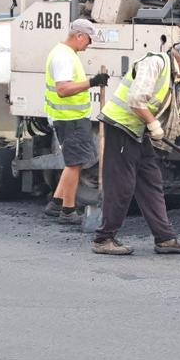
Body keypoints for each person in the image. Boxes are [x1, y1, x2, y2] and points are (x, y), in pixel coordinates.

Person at [93, 41, 180, 255]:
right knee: (122, 185)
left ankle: (165, 239)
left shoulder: (177, 81)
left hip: (140, 131)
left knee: (151, 182)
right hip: (121, 126)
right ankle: (104, 239)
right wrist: (153, 124)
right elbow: (136, 100)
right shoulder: (156, 63)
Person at [42, 18, 109, 224]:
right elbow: (63, 89)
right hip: (69, 119)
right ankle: (68, 211)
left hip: (71, 118)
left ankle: (56, 203)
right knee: (75, 164)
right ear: (79, 36)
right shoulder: (63, 57)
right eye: (89, 39)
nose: (90, 44)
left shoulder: (64, 53)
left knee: (73, 162)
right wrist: (93, 82)